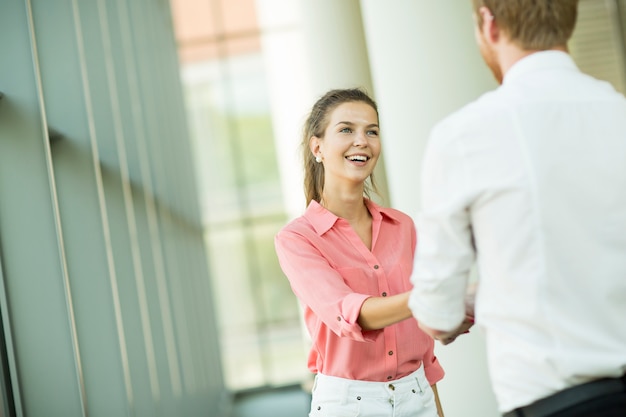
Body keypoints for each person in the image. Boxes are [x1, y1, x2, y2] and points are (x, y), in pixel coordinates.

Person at [408, 1, 626, 416]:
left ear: (489, 22)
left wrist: (478, 298)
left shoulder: (463, 136)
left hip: (557, 403)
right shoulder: (619, 113)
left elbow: (437, 312)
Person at [275, 88, 446, 417]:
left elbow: (425, 350)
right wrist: (433, 295)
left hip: (417, 394)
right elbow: (349, 313)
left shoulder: (404, 228)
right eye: (346, 130)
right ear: (317, 147)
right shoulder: (297, 239)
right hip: (348, 404)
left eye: (372, 131)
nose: (362, 141)